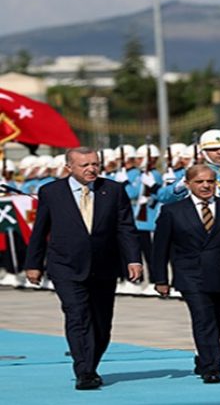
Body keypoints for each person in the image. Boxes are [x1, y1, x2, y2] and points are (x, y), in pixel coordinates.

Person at [24, 146, 142, 390]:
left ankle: (91, 363)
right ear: (69, 168)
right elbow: (40, 231)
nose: (91, 169)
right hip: (66, 266)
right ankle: (84, 371)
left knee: (101, 324)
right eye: (85, 165)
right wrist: (33, 264)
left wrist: (133, 259)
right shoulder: (51, 192)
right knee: (77, 316)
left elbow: (126, 228)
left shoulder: (113, 190)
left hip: (104, 265)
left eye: (95, 164)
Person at [152, 165, 220, 383]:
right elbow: (160, 248)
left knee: (216, 319)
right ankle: (212, 367)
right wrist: (160, 279)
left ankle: (204, 358)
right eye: (200, 182)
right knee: (203, 318)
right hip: (191, 274)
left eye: (210, 181)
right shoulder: (173, 211)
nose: (205, 186)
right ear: (188, 184)